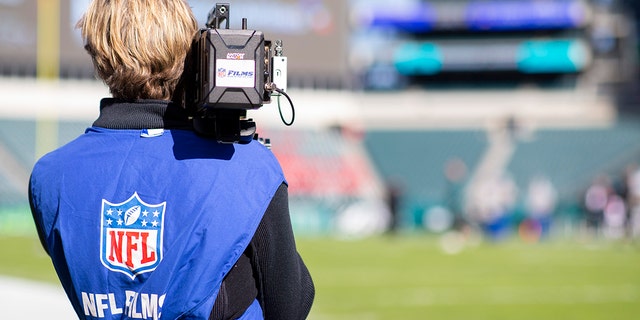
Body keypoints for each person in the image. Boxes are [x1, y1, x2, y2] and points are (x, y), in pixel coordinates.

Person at [28, 1, 314, 319]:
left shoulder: (50, 174)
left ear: (97, 53)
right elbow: (292, 302)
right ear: (189, 53)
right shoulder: (249, 168)